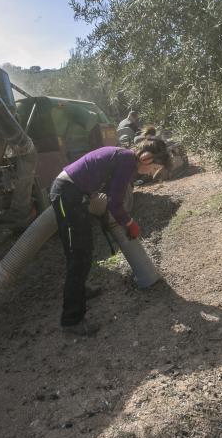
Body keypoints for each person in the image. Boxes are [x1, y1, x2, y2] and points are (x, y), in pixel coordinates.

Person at [49, 138, 170, 336]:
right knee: (78, 254)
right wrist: (130, 223)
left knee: (83, 250)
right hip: (67, 194)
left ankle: (80, 290)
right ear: (147, 158)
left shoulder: (124, 157)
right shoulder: (127, 161)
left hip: (73, 193)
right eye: (154, 168)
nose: (152, 173)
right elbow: (115, 204)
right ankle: (71, 321)